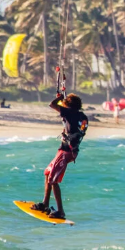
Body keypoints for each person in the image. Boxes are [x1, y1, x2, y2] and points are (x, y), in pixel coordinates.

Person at [33, 92, 88, 220]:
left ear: (68, 106)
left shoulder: (69, 112)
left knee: (53, 180)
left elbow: (52, 104)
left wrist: (59, 98)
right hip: (70, 150)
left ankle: (60, 211)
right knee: (47, 172)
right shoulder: (82, 116)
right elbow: (75, 129)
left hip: (66, 151)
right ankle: (45, 204)